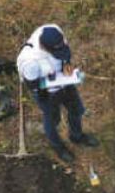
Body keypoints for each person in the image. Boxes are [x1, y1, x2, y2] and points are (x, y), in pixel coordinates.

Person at [16, 24, 99, 163]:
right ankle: (58, 147)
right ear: (45, 48)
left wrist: (66, 63)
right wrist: (47, 90)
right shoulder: (30, 61)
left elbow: (65, 53)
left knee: (77, 110)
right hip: (46, 92)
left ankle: (76, 136)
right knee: (52, 120)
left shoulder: (54, 30)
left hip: (65, 83)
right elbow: (32, 84)